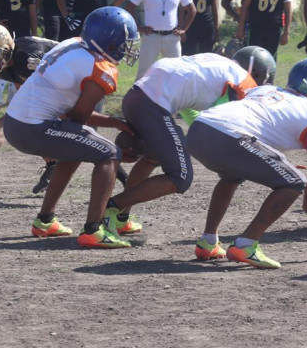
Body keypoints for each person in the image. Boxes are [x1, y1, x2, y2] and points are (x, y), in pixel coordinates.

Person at [187, 58, 307, 269]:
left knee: (231, 175)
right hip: (229, 136)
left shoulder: (266, 90)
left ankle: (208, 241)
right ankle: (246, 244)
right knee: (294, 181)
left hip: (198, 129)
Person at [101, 46, 276, 237]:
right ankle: (111, 208)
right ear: (257, 73)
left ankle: (120, 217)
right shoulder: (242, 81)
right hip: (152, 105)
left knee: (153, 157)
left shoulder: (216, 63)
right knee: (180, 176)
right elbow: (228, 124)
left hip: (137, 96)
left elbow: (189, 108)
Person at [3, 7, 139, 249]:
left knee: (77, 145)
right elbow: (78, 118)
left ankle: (45, 220)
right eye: (124, 41)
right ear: (110, 41)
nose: (126, 47)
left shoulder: (73, 44)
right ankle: (94, 230)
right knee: (108, 153)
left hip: (15, 121)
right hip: (32, 127)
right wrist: (114, 124)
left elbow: (72, 118)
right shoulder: (100, 68)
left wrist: (115, 122)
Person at [126, 0, 196, 79]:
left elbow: (192, 9)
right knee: (144, 72)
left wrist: (184, 28)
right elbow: (129, 7)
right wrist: (139, 27)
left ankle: (173, 97)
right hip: (151, 37)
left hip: (172, 37)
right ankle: (139, 97)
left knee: (175, 72)